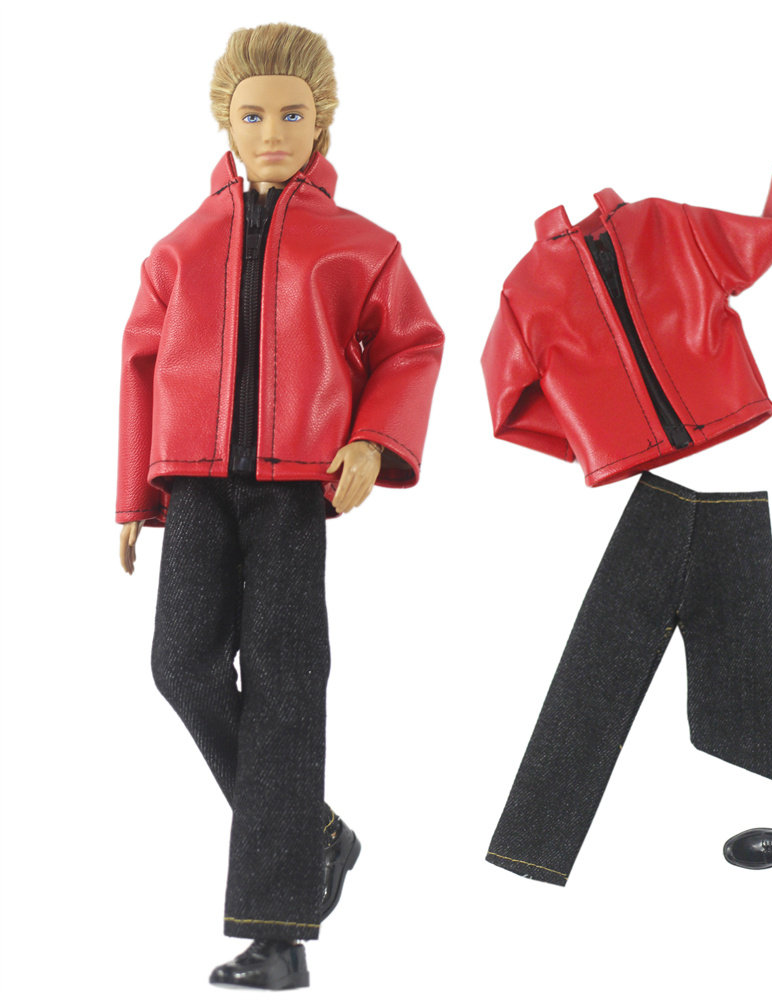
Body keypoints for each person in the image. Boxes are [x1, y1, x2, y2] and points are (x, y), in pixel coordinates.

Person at [116, 23, 444, 990]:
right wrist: (132, 495)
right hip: (195, 484)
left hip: (297, 487)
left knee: (287, 687)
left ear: (322, 124)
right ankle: (315, 835)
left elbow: (412, 346)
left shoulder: (360, 247)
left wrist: (372, 438)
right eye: (253, 115)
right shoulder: (179, 249)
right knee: (180, 665)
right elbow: (141, 367)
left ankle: (279, 939)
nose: (271, 134)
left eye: (292, 116)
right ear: (225, 120)